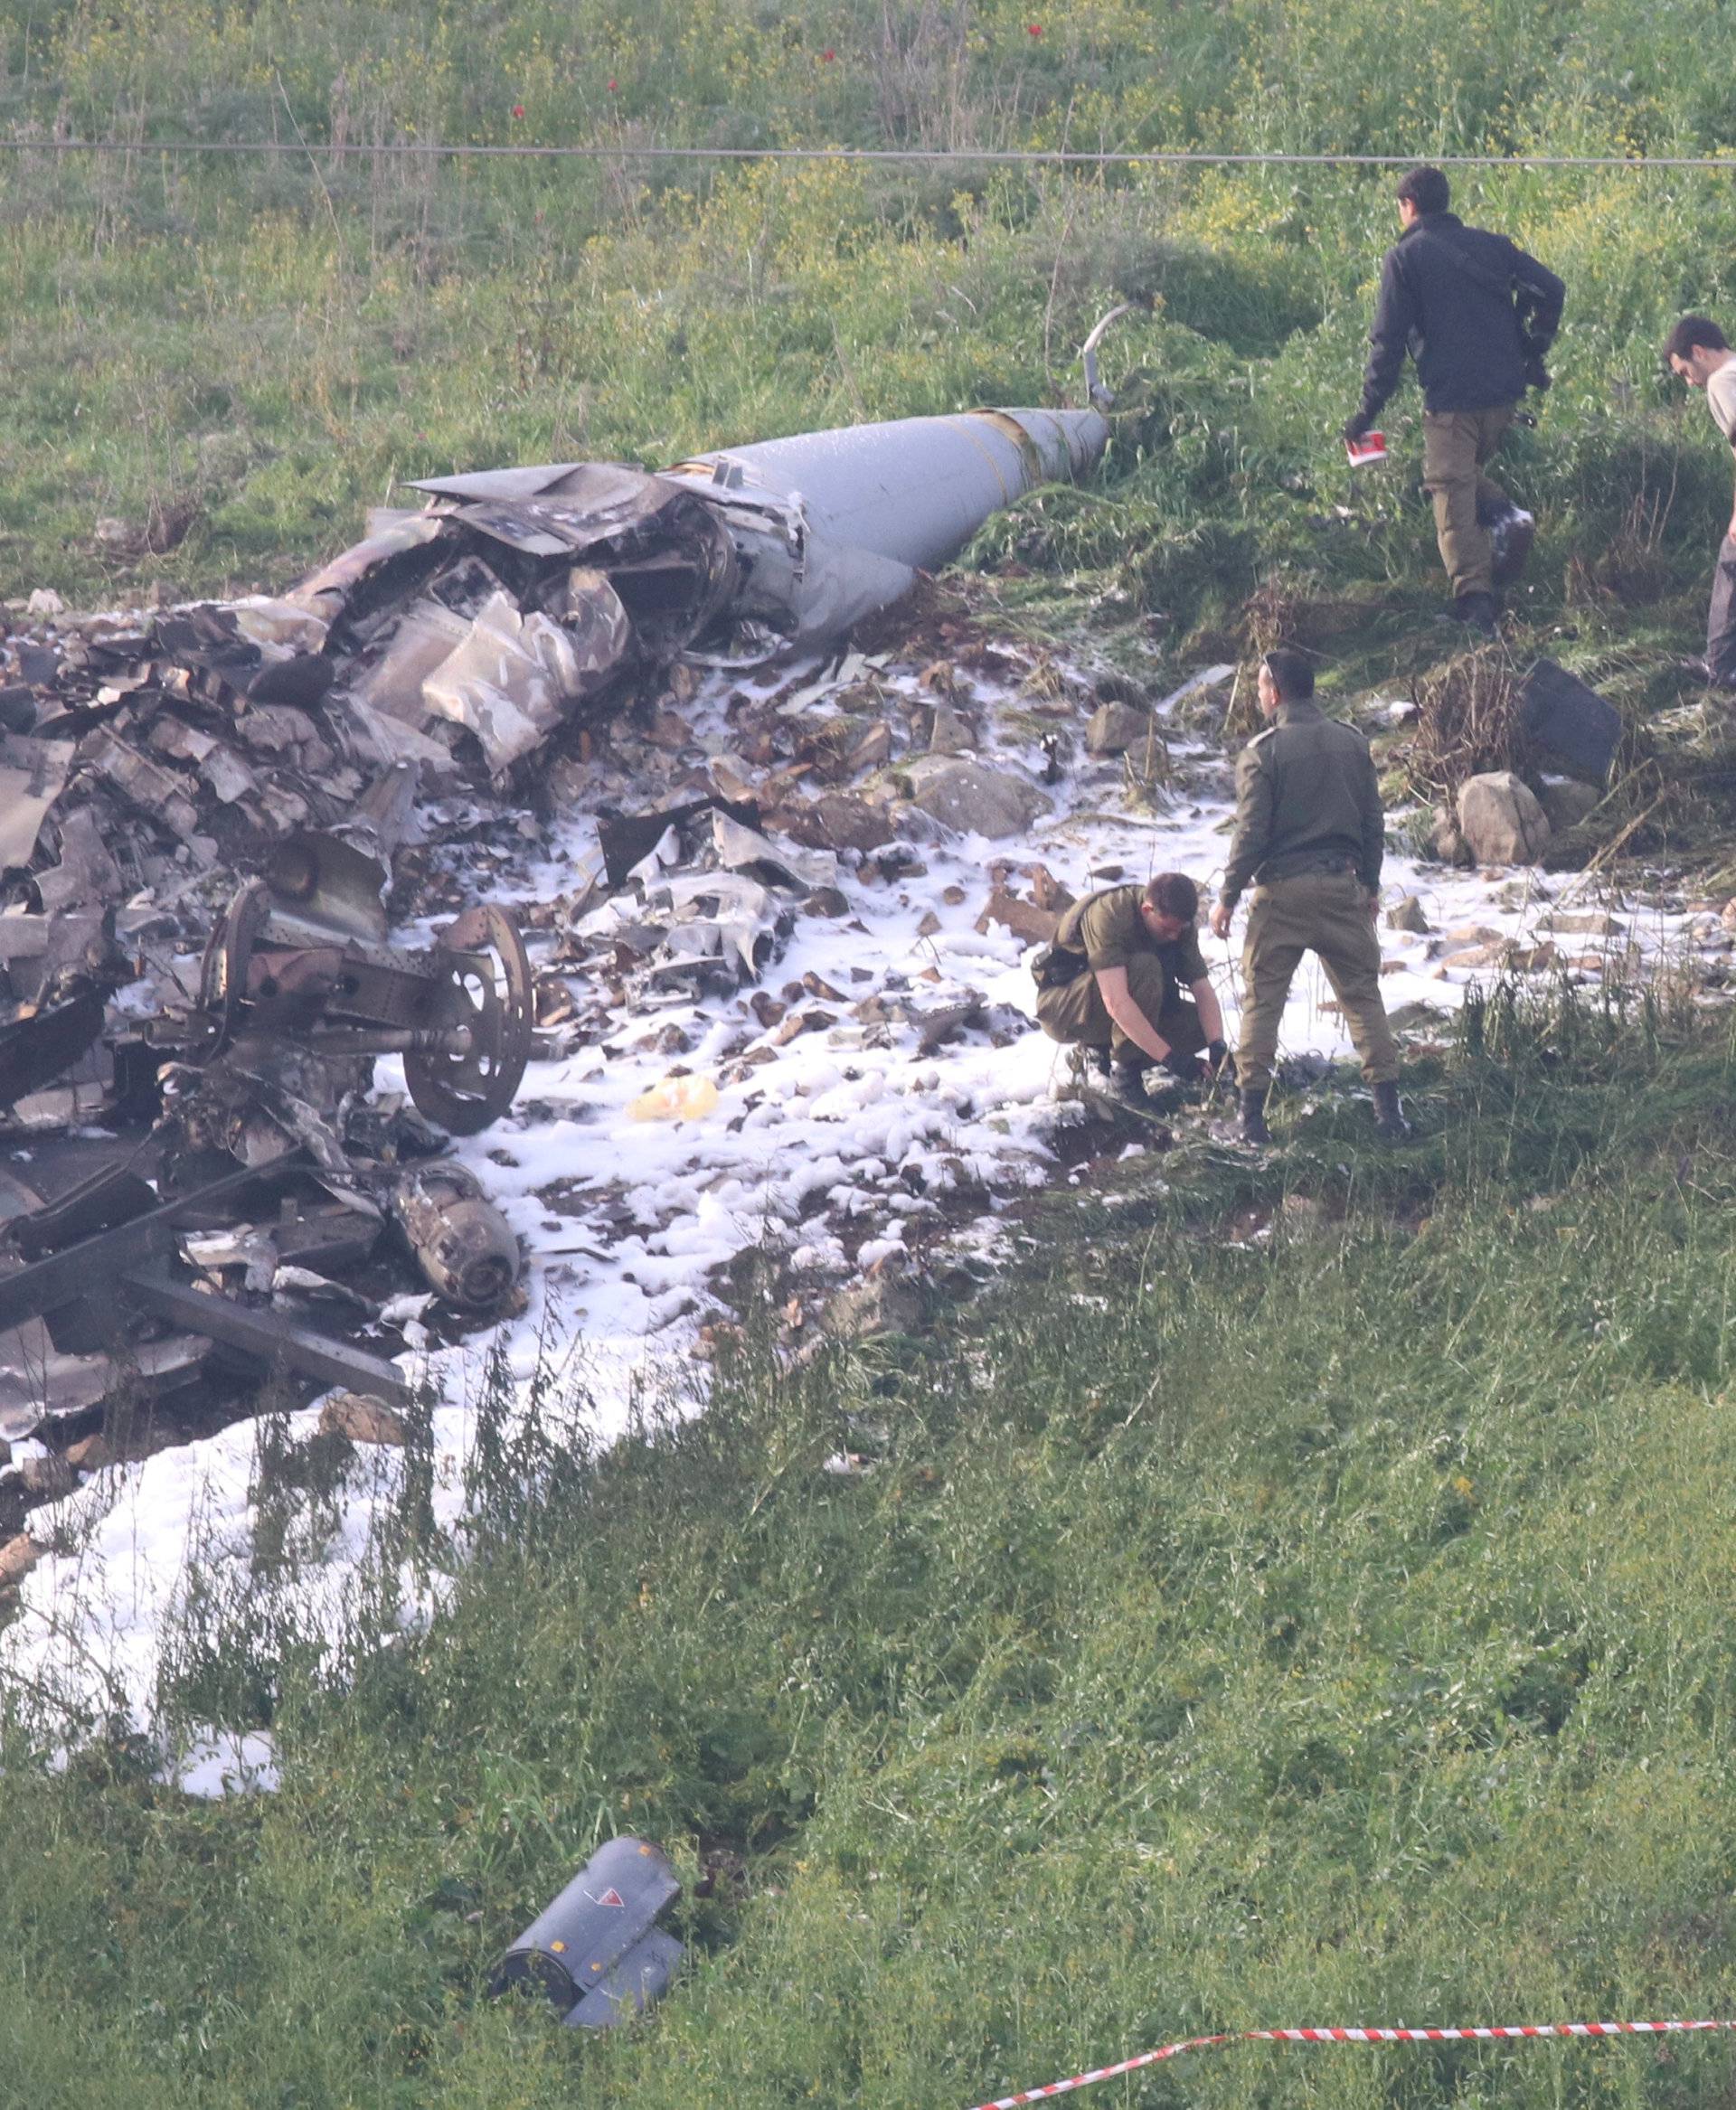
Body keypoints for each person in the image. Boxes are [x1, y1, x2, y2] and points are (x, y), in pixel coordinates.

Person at [1344, 165, 1564, 636]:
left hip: (1452, 399)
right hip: (1504, 395)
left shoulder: (1405, 259)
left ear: (1409, 206)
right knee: (1460, 477)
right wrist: (1534, 349)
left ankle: (1475, 603)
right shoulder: (1492, 245)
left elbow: (1388, 341)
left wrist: (1366, 411)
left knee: (1448, 488)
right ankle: (1507, 518)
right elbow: (1552, 289)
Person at [1208, 648, 1409, 1144]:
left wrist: (1228, 895)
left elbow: (1251, 831)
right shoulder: (1351, 742)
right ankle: (1391, 1117)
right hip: (1344, 886)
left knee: (1263, 1003)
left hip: (1282, 896)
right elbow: (1372, 824)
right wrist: (1371, 886)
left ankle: (1251, 1121)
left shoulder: (1263, 751)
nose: (1257, 694)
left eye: (1258, 686)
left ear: (1274, 691)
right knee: (1363, 1000)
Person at [1034, 871, 1229, 1110]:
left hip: (1116, 1006)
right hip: (1065, 1008)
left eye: (1180, 929)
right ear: (1148, 910)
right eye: (1168, 929)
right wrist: (1170, 1059)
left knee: (1201, 1027)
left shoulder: (1179, 926)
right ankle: (1125, 1078)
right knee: (1145, 968)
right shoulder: (1111, 914)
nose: (1174, 936)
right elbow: (1115, 1001)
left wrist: (1218, 1046)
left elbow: (1202, 988)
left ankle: (1104, 1054)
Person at [1664, 315, 1736, 691]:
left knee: (1731, 565)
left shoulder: (1722, 382)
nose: (1689, 381)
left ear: (1697, 352)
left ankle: (1720, 667)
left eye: (1684, 372)